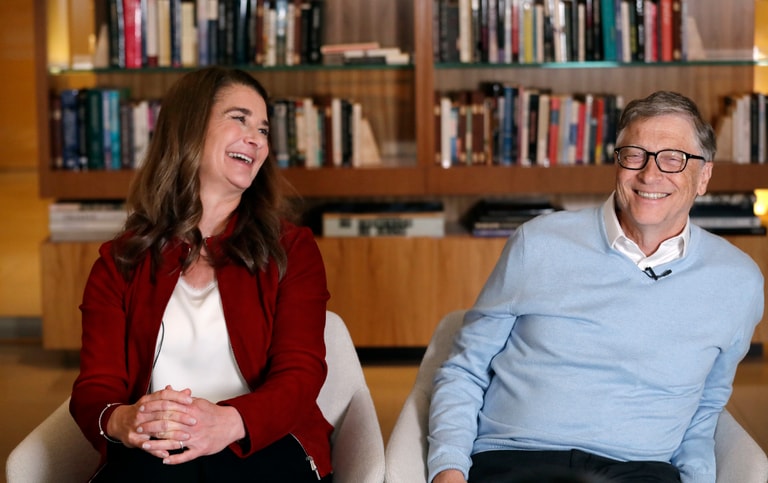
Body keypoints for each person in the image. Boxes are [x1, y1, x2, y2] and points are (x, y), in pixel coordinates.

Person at [427, 91, 764, 483]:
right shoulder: (538, 243)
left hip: (640, 471)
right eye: (634, 155)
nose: (650, 174)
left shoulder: (738, 281)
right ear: (617, 163)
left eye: (673, 158)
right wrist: (449, 470)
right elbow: (465, 369)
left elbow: (706, 407)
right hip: (517, 459)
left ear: (704, 176)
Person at [70, 66, 333, 482]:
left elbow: (301, 374)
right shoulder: (120, 261)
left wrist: (228, 422)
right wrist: (124, 420)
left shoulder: (293, 249)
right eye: (239, 119)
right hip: (158, 449)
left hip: (264, 440)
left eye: (263, 130)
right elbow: (95, 387)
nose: (256, 138)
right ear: (190, 128)